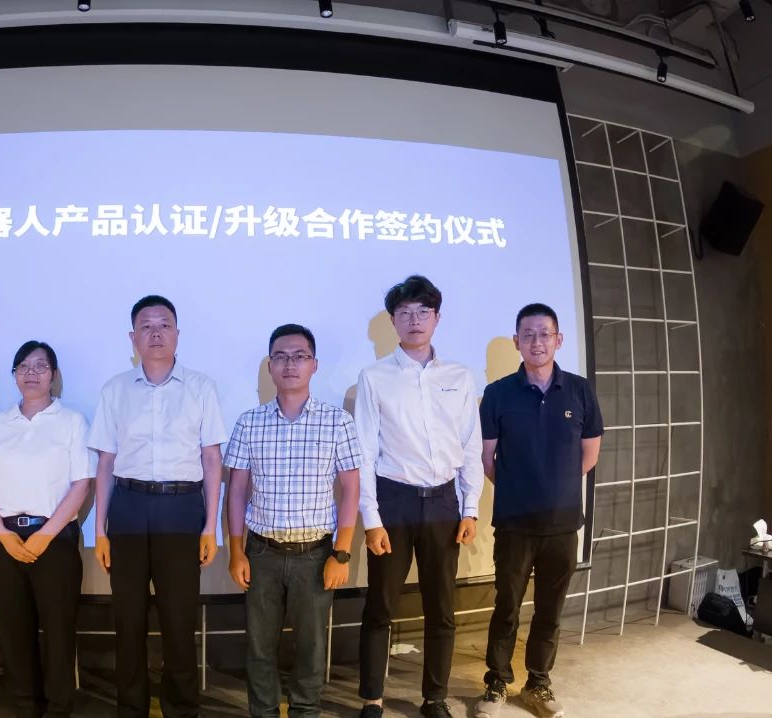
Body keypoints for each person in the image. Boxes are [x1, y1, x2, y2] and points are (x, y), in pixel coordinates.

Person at [89, 295, 228, 717]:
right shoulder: (115, 390)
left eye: (164, 324)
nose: (155, 333)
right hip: (128, 507)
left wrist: (211, 526)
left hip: (182, 508)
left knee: (178, 619)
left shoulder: (201, 388)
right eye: (146, 326)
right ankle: (130, 708)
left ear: (177, 334)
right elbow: (106, 463)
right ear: (132, 337)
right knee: (128, 619)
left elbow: (211, 460)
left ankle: (181, 708)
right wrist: (99, 530)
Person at [355, 276, 483, 718]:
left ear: (437, 318)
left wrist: (470, 508)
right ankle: (372, 698)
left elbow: (469, 445)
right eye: (405, 313)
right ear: (393, 321)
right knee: (380, 605)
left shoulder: (459, 376)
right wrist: (371, 518)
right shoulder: (374, 377)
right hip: (393, 502)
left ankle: (435, 698)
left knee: (441, 608)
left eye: (423, 312)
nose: (414, 320)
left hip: (444, 503)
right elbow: (364, 452)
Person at [224, 324, 361, 718]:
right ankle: (264, 712)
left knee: (312, 647)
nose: (290, 364)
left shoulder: (337, 422)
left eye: (300, 356)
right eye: (281, 357)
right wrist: (236, 552)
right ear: (270, 366)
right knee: (259, 646)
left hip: (315, 555)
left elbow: (351, 489)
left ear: (314, 365)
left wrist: (341, 554)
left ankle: (305, 711)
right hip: (261, 553)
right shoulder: (249, 422)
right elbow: (237, 491)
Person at [474, 304, 603, 718]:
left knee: (550, 609)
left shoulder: (580, 391)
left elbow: (589, 454)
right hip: (514, 523)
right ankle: (497, 682)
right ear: (517, 342)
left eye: (545, 333)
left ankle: (538, 682)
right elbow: (487, 459)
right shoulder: (497, 393)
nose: (537, 342)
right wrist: (521, 488)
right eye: (527, 334)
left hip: (563, 525)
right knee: (507, 606)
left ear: (558, 340)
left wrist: (555, 485)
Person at [0, 341, 93, 718]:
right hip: (6, 539)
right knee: (14, 630)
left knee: (58, 632)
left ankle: (59, 708)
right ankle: (25, 706)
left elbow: (81, 485)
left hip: (55, 540)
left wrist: (45, 535)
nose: (31, 373)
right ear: (14, 375)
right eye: (23, 367)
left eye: (40, 366)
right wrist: (0, 532)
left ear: (53, 375)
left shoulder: (72, 421)